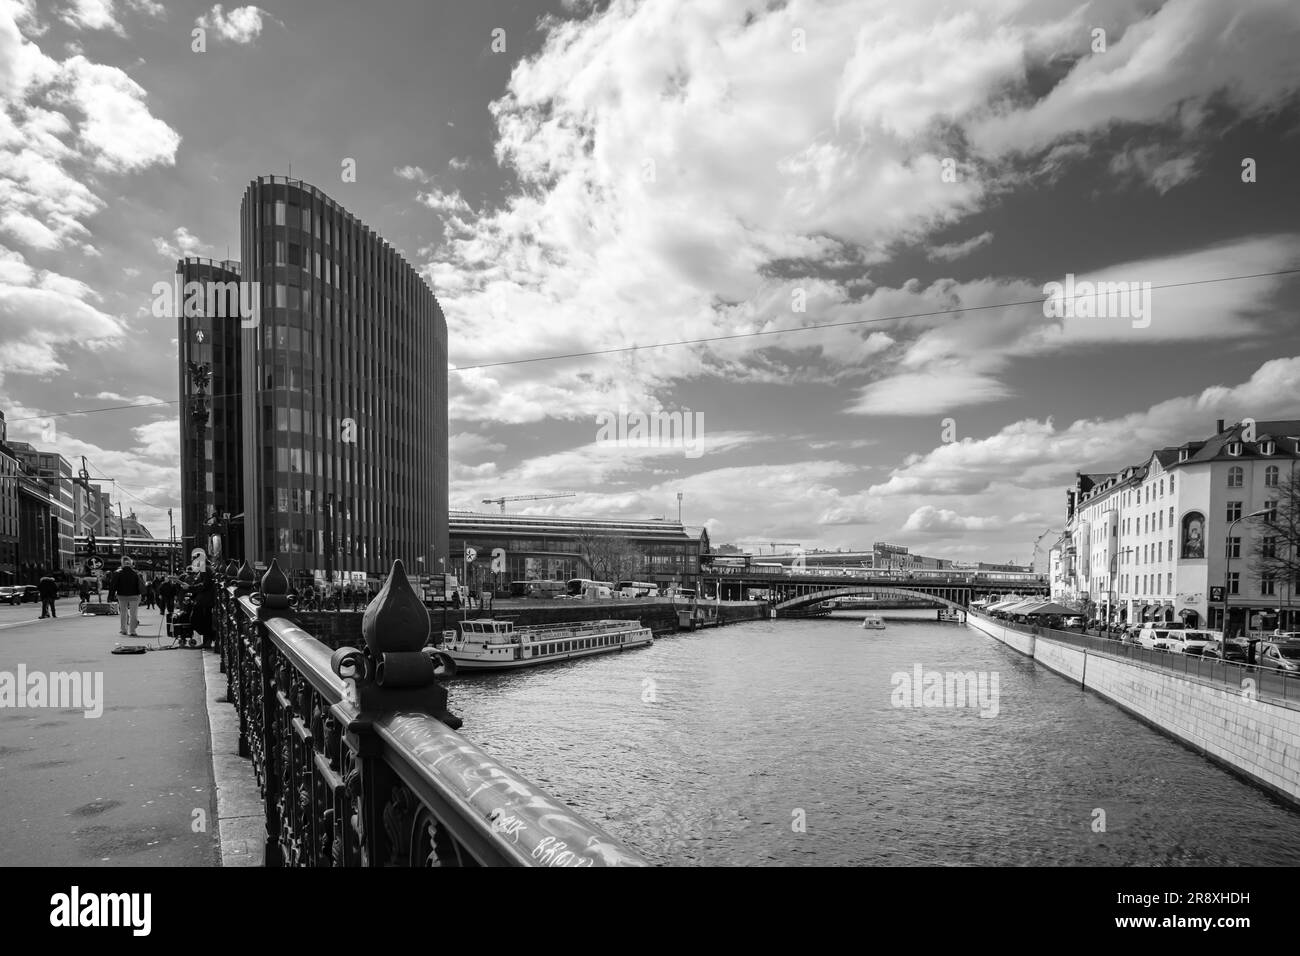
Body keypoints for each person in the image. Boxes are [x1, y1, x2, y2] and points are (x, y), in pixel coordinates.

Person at [107, 557, 143, 637]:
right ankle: (132, 631)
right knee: (134, 614)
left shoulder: (118, 573)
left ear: (122, 564)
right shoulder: (136, 573)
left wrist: (110, 596)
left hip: (122, 596)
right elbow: (140, 586)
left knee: (123, 613)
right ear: (131, 564)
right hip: (134, 596)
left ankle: (123, 630)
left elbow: (113, 586)